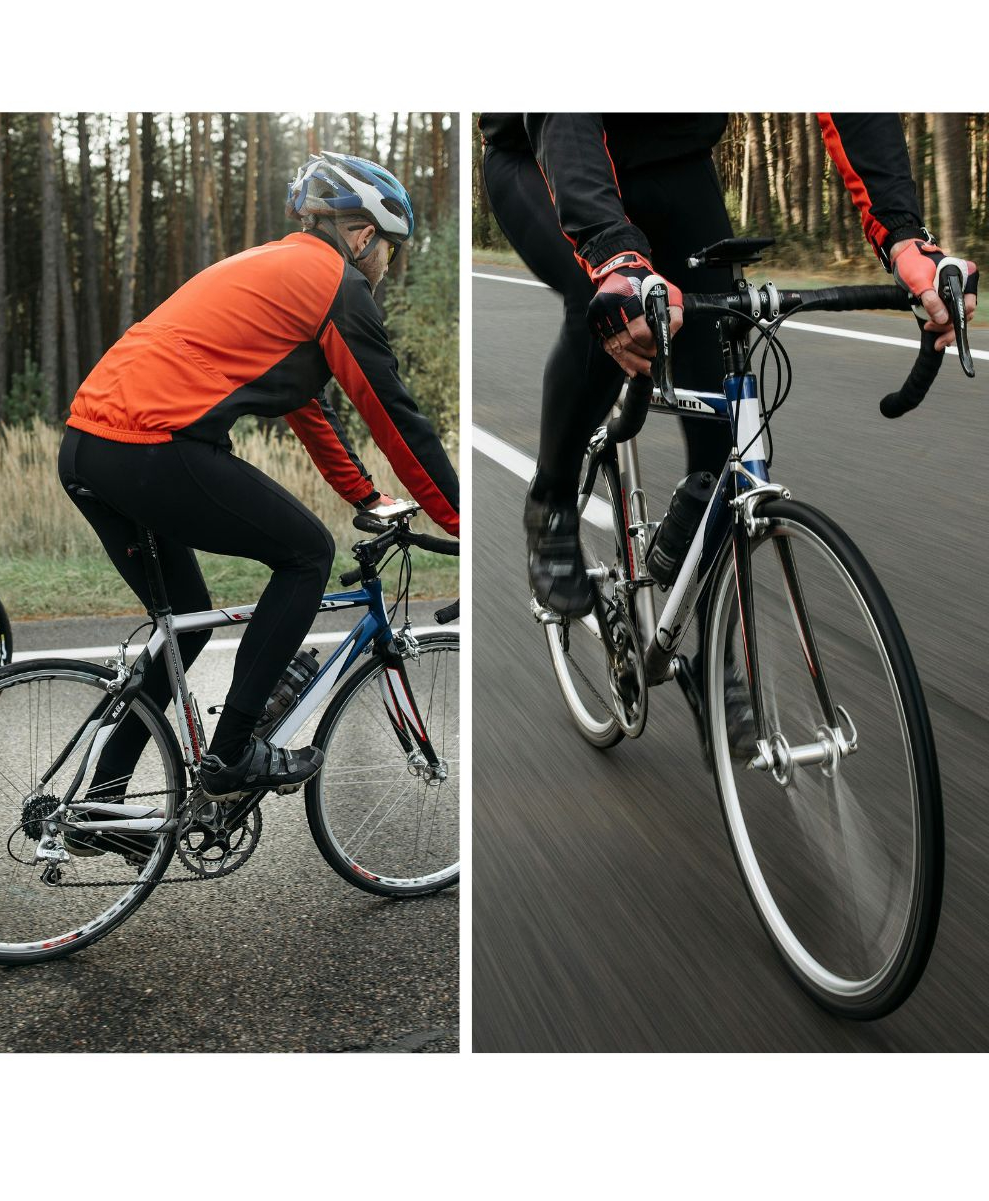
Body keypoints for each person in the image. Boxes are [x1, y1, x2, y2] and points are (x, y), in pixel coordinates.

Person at [60, 153, 460, 833]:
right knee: (307, 553)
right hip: (152, 444)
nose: (388, 265)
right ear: (363, 235)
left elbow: (309, 407)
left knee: (183, 620)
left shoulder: (274, 268)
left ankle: (99, 801)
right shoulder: (337, 282)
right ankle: (234, 751)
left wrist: (364, 494)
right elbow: (394, 415)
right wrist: (465, 524)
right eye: (390, 249)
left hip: (88, 446)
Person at [481, 114, 978, 620]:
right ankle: (552, 500)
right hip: (541, 154)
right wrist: (611, 253)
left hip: (675, 161)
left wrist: (903, 235)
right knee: (611, 306)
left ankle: (714, 664)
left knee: (723, 382)